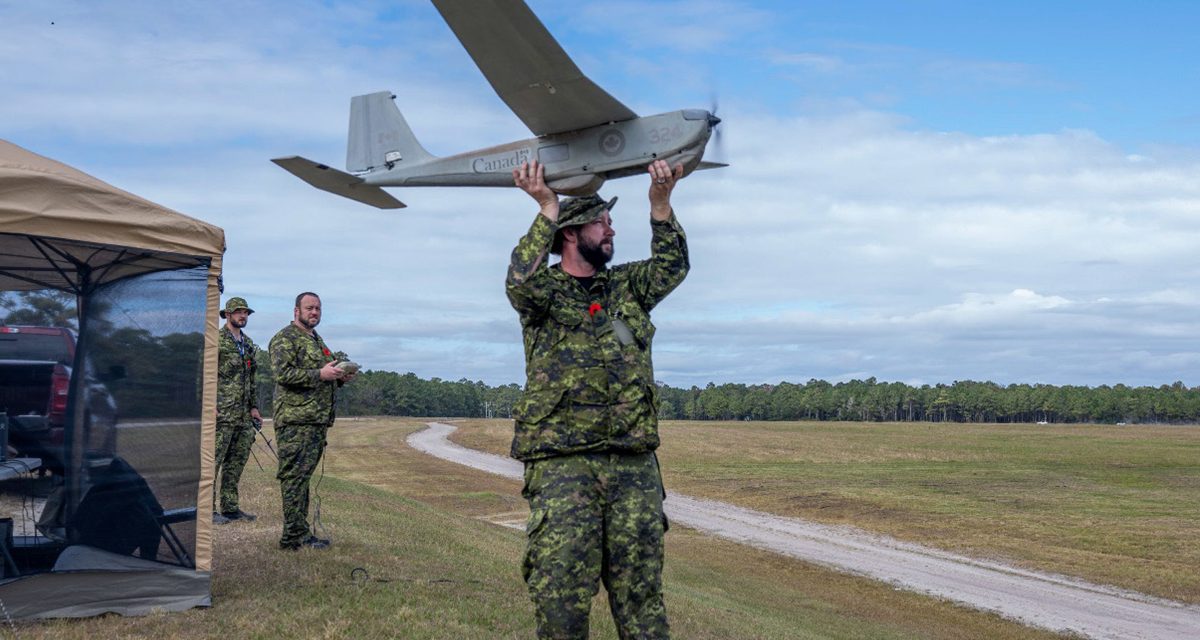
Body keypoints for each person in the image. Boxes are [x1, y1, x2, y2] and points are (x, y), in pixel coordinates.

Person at [507, 158, 689, 639]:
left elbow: (674, 265)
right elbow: (519, 280)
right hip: (564, 466)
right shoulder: (544, 292)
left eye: (610, 221)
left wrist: (661, 204)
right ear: (570, 233)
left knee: (642, 596)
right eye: (601, 221)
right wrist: (547, 206)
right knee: (561, 593)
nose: (611, 228)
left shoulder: (627, 287)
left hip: (633, 464)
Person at [268, 292, 355, 550]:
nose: (314, 312)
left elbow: (323, 373)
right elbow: (282, 374)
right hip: (296, 420)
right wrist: (321, 373)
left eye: (318, 308)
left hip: (315, 421)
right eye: (309, 308)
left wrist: (339, 376)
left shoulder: (316, 340)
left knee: (303, 478)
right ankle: (292, 538)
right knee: (294, 477)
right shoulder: (285, 338)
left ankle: (301, 532)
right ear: (296, 311)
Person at [213, 297, 262, 524]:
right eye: (239, 312)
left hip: (243, 414)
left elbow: (251, 379)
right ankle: (207, 509)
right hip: (222, 411)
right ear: (228, 314)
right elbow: (204, 374)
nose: (243, 316)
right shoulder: (216, 340)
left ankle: (230, 507)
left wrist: (253, 407)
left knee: (236, 461)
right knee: (213, 461)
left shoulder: (248, 344)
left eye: (246, 313)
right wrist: (208, 405)